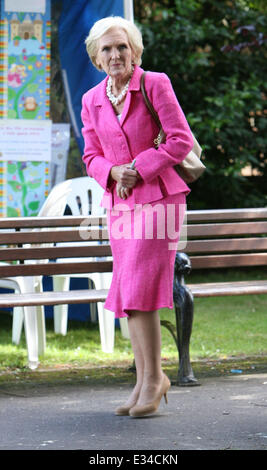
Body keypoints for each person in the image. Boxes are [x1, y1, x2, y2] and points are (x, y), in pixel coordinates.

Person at [81, 16, 194, 418]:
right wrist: (112, 172)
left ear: (135, 51)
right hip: (121, 202)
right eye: (107, 49)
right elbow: (91, 155)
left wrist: (138, 167)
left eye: (122, 47)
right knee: (130, 292)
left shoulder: (155, 84)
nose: (115, 54)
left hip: (160, 198)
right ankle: (146, 380)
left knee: (141, 287)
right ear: (96, 56)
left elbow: (180, 139)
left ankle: (153, 379)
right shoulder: (92, 98)